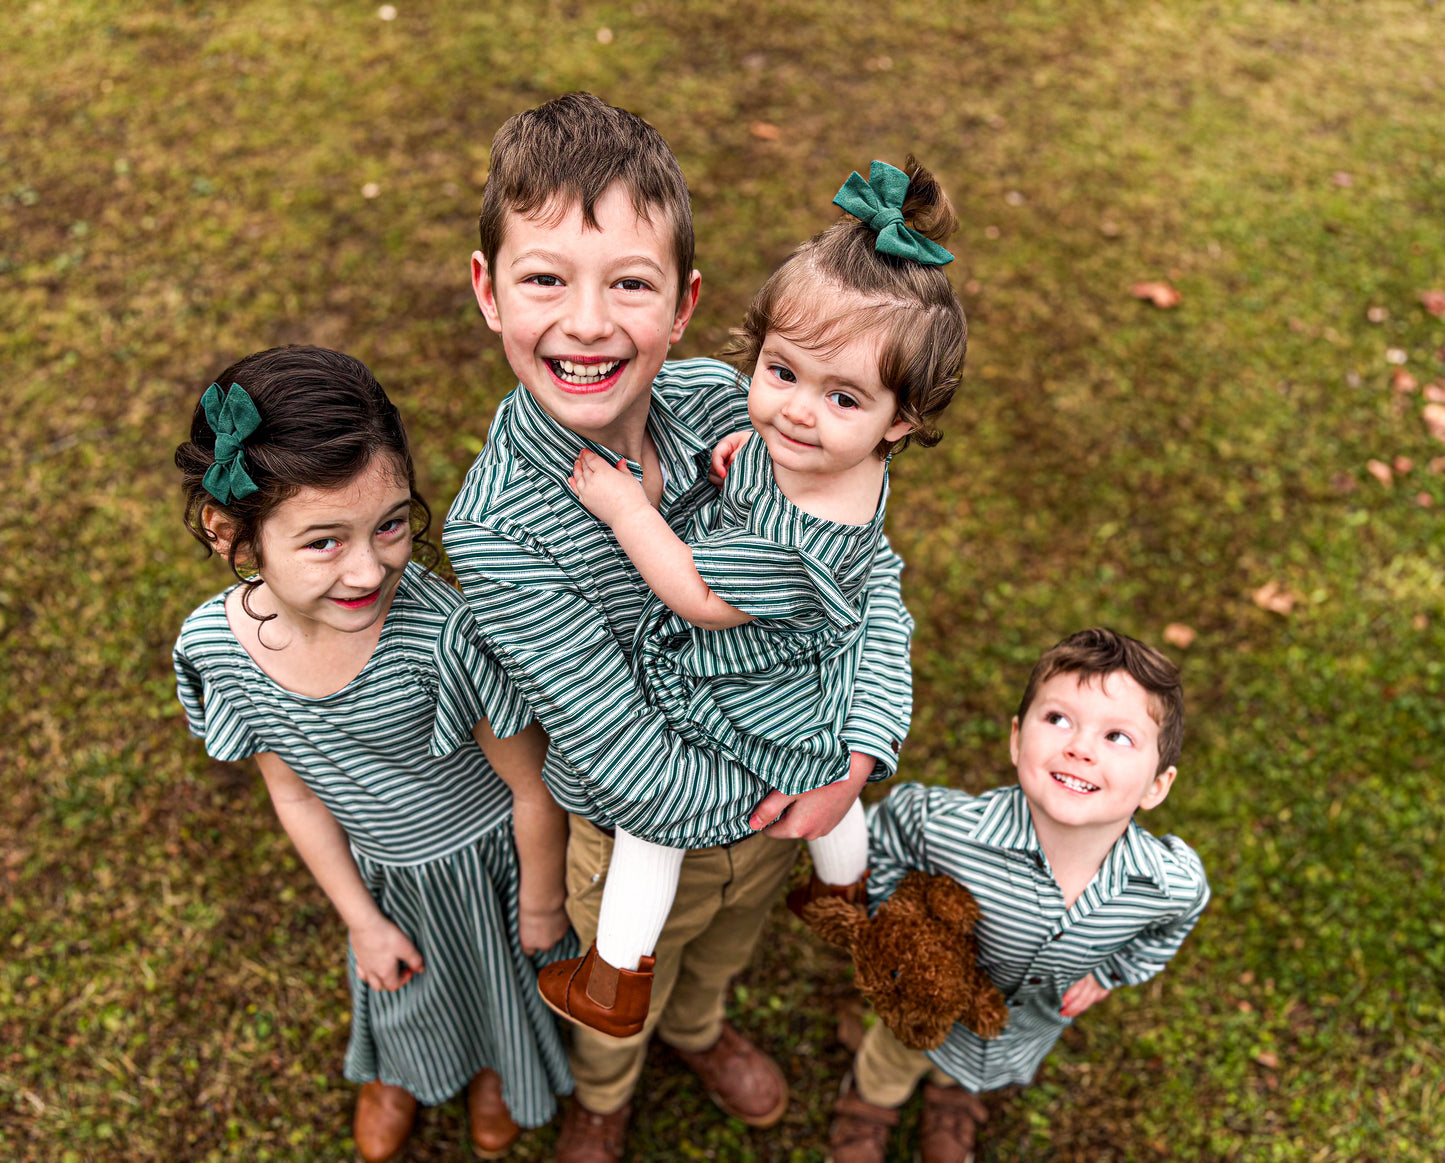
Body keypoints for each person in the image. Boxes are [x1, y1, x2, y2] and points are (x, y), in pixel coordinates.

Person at [435, 93, 915, 1160]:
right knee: (630, 969)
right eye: (545, 277)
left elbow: (860, 580)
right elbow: (613, 743)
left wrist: (858, 747)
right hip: (643, 827)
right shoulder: (499, 531)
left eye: (630, 284)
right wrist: (774, 799)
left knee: (720, 950)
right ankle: (605, 1094)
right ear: (487, 290)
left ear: (685, 303)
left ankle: (700, 1027)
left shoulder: (728, 404)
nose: (589, 323)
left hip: (794, 788)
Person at [538, 154, 966, 1037]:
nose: (793, 414)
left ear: (903, 419)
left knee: (649, 827)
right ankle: (844, 886)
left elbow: (695, 592)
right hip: (800, 692)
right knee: (830, 794)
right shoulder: (833, 462)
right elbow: (777, 441)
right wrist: (750, 445)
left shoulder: (806, 546)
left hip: (746, 702)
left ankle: (613, 979)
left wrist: (626, 508)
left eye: (840, 395)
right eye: (780, 373)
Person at [171, 346, 573, 1163]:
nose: (369, 567)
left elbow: (532, 784)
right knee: (396, 979)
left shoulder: (444, 632)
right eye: (324, 541)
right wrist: (361, 919)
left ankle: (500, 1066)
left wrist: (539, 902)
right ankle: (397, 1070)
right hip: (384, 868)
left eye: (390, 523)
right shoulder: (219, 651)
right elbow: (297, 795)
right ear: (231, 536)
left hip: (496, 859)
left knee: (505, 985)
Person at [827, 628, 1210, 1163]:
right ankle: (868, 1106)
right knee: (894, 1058)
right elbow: (889, 829)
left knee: (971, 1068)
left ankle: (952, 1097)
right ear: (1016, 738)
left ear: (1156, 786)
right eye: (1058, 720)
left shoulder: (1164, 883)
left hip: (1023, 1023)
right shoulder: (950, 828)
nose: (1079, 747)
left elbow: (1181, 916)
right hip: (928, 1002)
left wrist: (1110, 973)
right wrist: (894, 921)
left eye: (1117, 737)